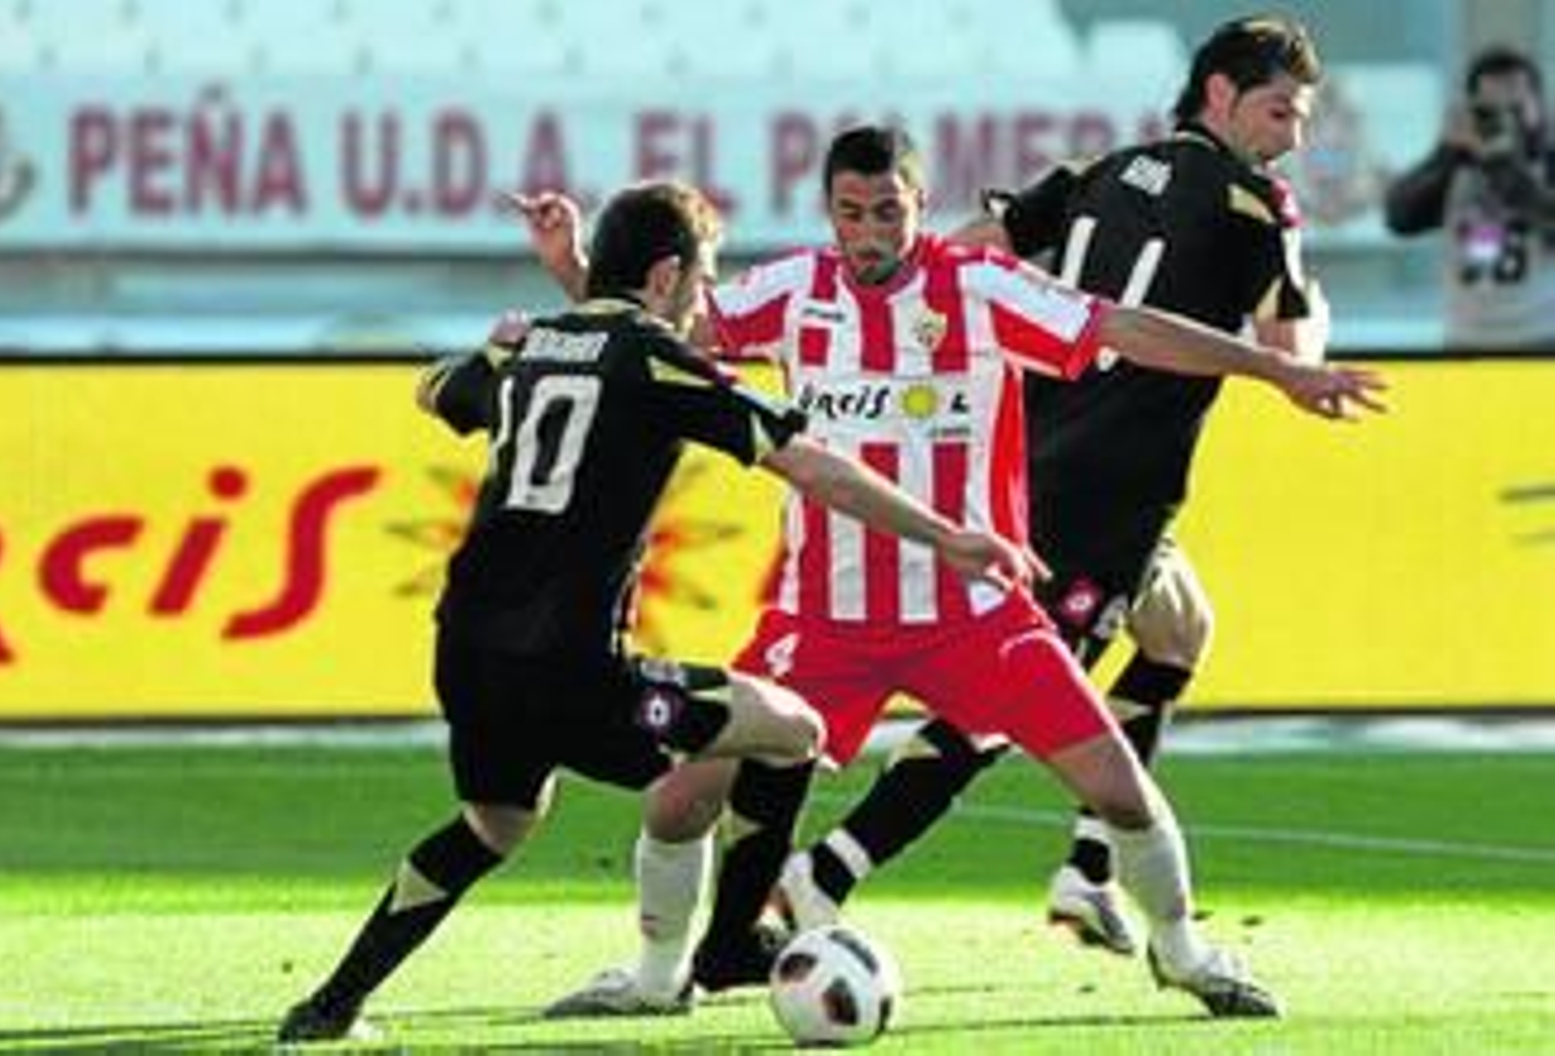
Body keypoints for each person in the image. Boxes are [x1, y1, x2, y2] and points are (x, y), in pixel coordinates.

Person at [527, 125, 1382, 1021]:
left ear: (919, 206)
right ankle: (659, 977)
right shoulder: (791, 292)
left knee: (1122, 793)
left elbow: (1123, 326)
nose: (870, 233)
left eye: (888, 211)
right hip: (823, 621)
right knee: (677, 802)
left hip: (975, 614)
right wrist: (572, 267)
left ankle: (1188, 954)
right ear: (830, 214)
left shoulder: (978, 287)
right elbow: (660, 327)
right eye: (852, 214)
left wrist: (1275, 367)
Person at [273, 179, 1030, 1043]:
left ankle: (329, 1007)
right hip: (575, 671)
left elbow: (432, 391)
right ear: (668, 275)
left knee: (497, 822)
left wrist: (497, 346)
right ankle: (731, 945)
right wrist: (951, 537)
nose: (706, 300)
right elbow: (808, 464)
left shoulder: (530, 350)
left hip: (469, 652)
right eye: (703, 279)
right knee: (794, 729)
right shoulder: (661, 360)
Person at [778, 13, 1332, 958]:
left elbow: (969, 244)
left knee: (1179, 629)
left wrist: (905, 330)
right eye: (1281, 111)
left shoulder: (1100, 171)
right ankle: (829, 868)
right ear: (1222, 96)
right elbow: (1290, 353)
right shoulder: (1252, 203)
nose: (1293, 136)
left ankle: (1089, 870)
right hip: (1110, 486)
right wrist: (1315, 320)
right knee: (1008, 701)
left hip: (1028, 457)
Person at [1385, 44, 1555, 350]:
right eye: (1490, 111)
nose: (1505, 120)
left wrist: (1504, 164)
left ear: (1539, 107)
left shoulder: (1549, 165)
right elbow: (1399, 218)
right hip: (1465, 341)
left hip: (1540, 340)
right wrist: (1445, 152)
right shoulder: (1455, 168)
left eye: (1515, 109)